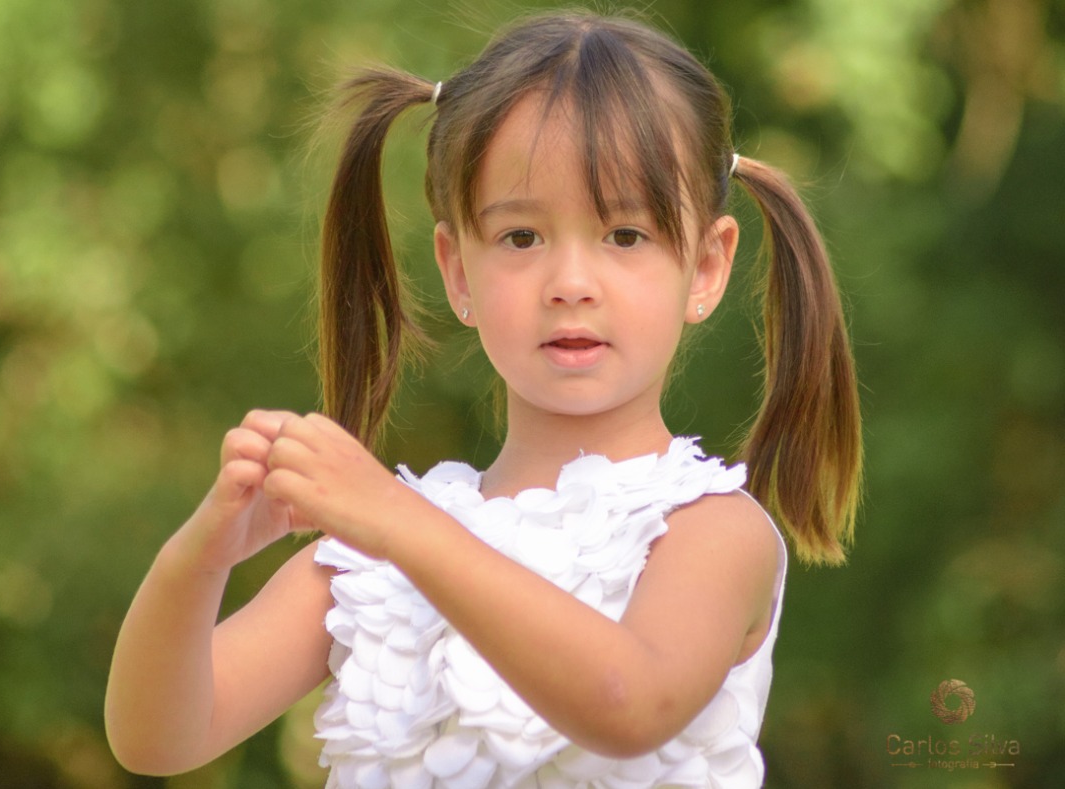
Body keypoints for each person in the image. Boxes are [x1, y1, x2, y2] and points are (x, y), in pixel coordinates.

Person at [104, 11, 862, 788]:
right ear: (458, 270)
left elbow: (630, 702)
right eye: (521, 238)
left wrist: (398, 521)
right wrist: (201, 555)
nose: (571, 283)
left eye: (626, 235)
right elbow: (159, 738)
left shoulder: (710, 531)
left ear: (706, 267)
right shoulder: (371, 552)